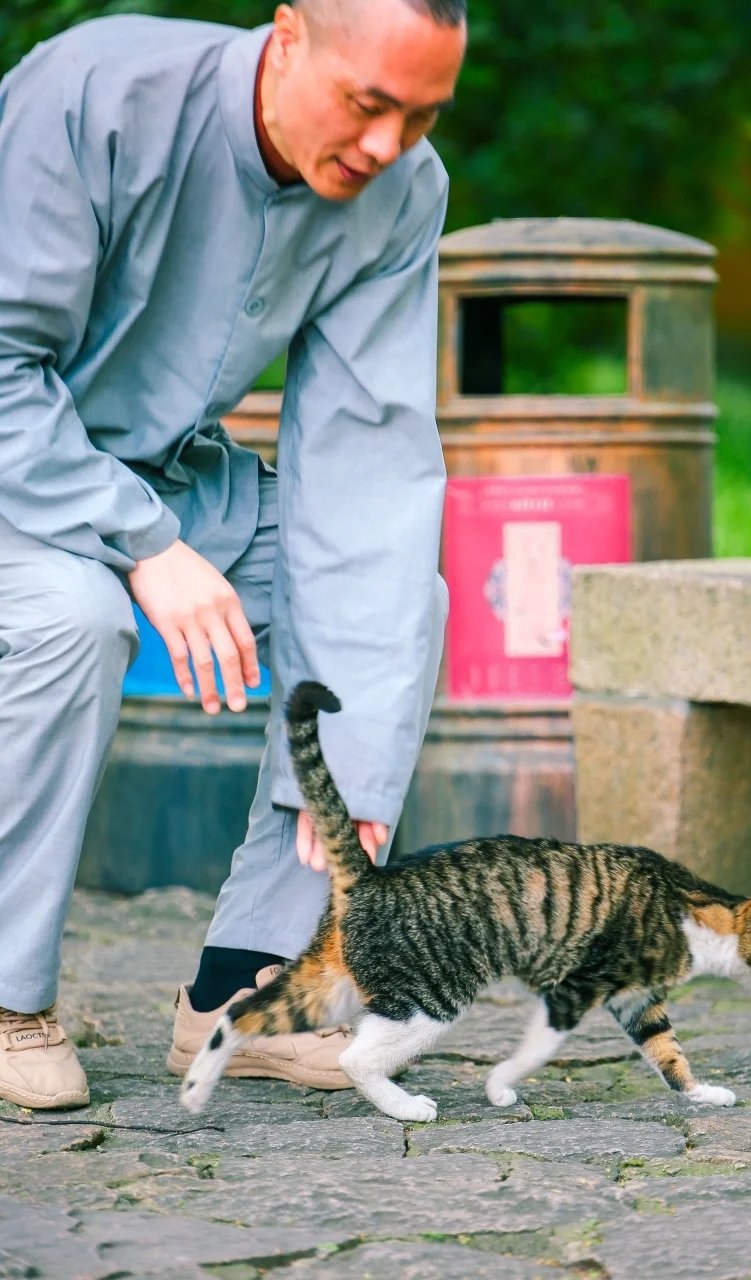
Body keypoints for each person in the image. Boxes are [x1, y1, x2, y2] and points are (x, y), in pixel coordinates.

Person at [0, 0, 467, 1109]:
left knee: (395, 607)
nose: (388, 147)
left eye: (423, 114)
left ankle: (242, 988)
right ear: (289, 35)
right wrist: (145, 543)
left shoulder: (403, 191)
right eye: (369, 104)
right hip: (22, 468)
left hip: (164, 482)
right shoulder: (93, 95)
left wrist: (353, 747)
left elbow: (365, 472)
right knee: (78, 613)